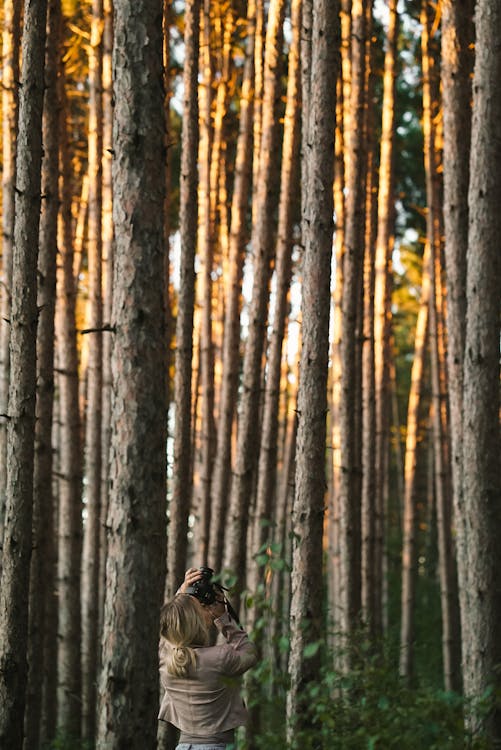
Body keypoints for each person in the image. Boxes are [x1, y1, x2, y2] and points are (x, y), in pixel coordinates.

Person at [158, 568, 258, 750]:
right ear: (197, 624)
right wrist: (223, 617)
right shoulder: (220, 657)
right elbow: (249, 652)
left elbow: (168, 630)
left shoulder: (166, 659)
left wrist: (182, 592)